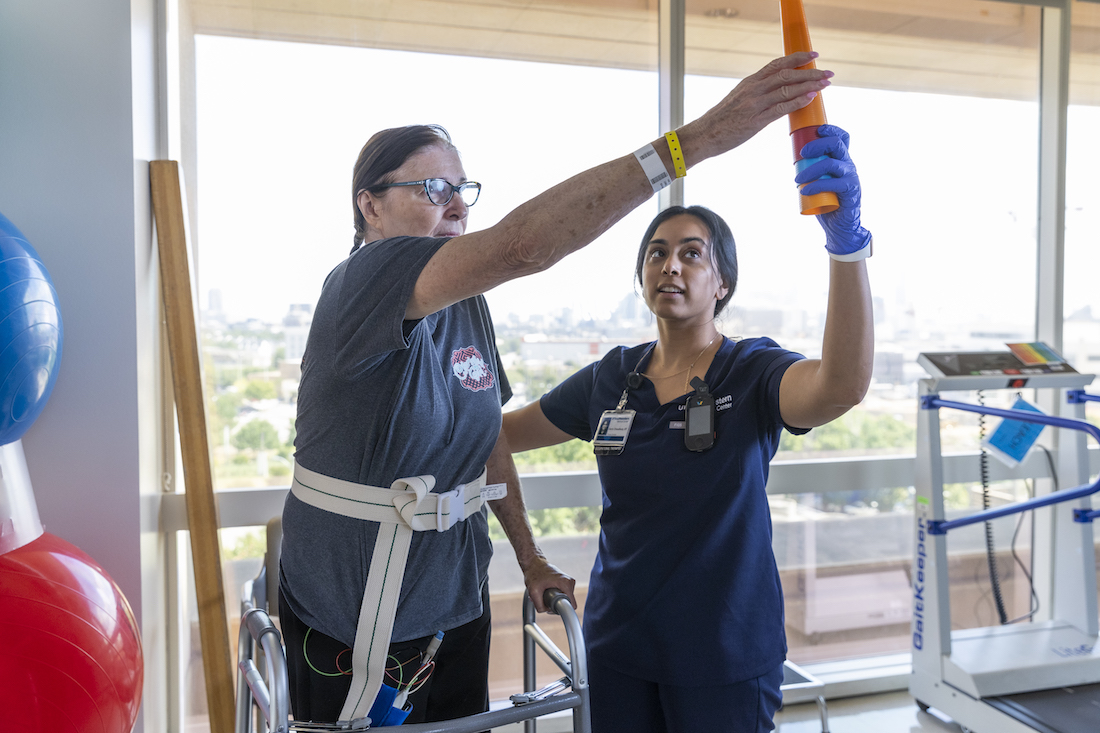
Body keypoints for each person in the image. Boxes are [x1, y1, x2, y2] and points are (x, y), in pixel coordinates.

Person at [279, 51, 837, 726]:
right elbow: (522, 246)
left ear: (726, 282)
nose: (457, 205)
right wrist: (698, 141)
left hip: (451, 604)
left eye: (463, 187)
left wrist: (531, 555)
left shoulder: (465, 308)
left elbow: (482, 433)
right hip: (356, 610)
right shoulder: (363, 282)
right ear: (370, 205)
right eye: (432, 190)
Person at [501, 126, 873, 732]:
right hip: (618, 647)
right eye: (656, 252)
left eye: (692, 253)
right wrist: (531, 557)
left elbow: (842, 387)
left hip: (723, 653)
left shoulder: (753, 371)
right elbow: (492, 436)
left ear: (721, 282)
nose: (670, 264)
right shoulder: (610, 378)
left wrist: (847, 248)